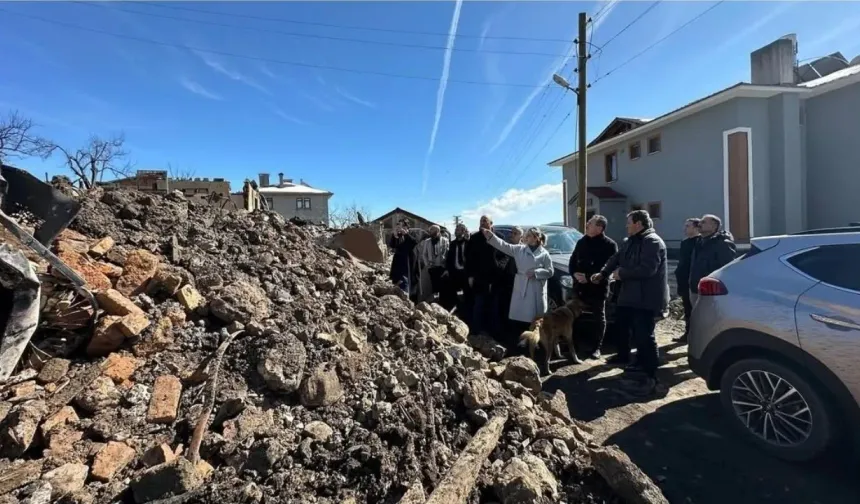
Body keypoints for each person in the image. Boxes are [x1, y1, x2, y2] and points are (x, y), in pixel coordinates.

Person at [592, 210, 669, 396]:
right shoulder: (629, 242)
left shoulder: (653, 242)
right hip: (629, 297)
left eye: (629, 222)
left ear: (639, 223)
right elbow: (616, 259)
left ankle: (650, 374)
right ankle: (625, 357)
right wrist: (603, 273)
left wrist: (621, 274)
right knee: (622, 327)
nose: (626, 225)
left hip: (646, 299)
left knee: (644, 335)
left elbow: (648, 269)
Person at [482, 226, 554, 357]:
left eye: (529, 235)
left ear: (536, 238)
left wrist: (537, 272)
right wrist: (491, 237)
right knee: (520, 316)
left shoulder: (544, 254)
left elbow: (550, 271)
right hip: (522, 286)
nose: (526, 237)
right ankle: (521, 342)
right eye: (526, 235)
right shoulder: (519, 249)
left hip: (536, 288)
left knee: (535, 318)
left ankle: (536, 343)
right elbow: (504, 245)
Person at [569, 215, 618, 359]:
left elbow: (608, 266)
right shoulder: (582, 241)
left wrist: (589, 276)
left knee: (599, 317)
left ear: (599, 227)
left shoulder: (609, 245)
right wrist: (574, 274)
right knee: (574, 316)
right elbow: (572, 261)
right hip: (579, 287)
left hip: (597, 287)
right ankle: (574, 345)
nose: (586, 225)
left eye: (590, 223)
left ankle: (596, 347)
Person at [466, 215, 506, 336]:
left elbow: (505, 255)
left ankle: (495, 332)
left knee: (494, 306)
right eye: (481, 221)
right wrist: (470, 275)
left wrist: (499, 267)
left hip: (495, 278)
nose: (482, 223)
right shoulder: (474, 238)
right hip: (479, 277)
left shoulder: (499, 237)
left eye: (485, 221)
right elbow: (469, 258)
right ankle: (476, 331)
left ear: (491, 223)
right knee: (479, 304)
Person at [688, 214, 736, 306]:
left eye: (703, 222)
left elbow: (727, 268)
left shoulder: (722, 243)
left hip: (710, 292)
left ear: (714, 226)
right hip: (695, 289)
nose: (699, 224)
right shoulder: (699, 242)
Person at [673, 218, 701, 342]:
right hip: (684, 280)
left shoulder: (700, 242)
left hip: (694, 281)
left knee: (696, 310)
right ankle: (688, 334)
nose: (685, 228)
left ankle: (696, 335)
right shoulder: (685, 243)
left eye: (688, 226)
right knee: (687, 308)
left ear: (696, 228)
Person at [496, 226, 523, 350]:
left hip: (517, 286)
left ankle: (516, 340)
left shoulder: (524, 250)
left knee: (517, 313)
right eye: (511, 233)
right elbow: (499, 262)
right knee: (504, 311)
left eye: (515, 233)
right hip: (503, 285)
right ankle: (504, 338)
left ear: (520, 237)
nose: (512, 235)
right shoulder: (506, 248)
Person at [388, 219, 418, 295]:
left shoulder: (412, 233)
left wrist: (406, 234)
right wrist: (394, 236)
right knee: (398, 279)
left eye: (402, 225)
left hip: (408, 260)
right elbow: (392, 245)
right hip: (398, 260)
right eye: (399, 225)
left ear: (406, 226)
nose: (400, 228)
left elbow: (414, 242)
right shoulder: (398, 235)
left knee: (406, 280)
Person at [443, 223, 469, 311]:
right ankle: (454, 309)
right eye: (456, 229)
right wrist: (447, 269)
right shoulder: (453, 244)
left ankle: (465, 311)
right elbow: (449, 258)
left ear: (463, 231)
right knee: (454, 292)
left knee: (466, 293)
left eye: (458, 230)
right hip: (455, 272)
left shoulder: (468, 243)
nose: (456, 231)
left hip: (466, 273)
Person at [420, 225, 449, 302]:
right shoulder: (427, 241)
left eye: (433, 230)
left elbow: (448, 253)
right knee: (434, 286)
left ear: (438, 231)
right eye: (431, 230)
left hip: (442, 267)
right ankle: (436, 302)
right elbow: (424, 254)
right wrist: (427, 265)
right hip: (432, 268)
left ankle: (443, 303)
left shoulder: (445, 240)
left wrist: (446, 266)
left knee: (443, 286)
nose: (431, 232)